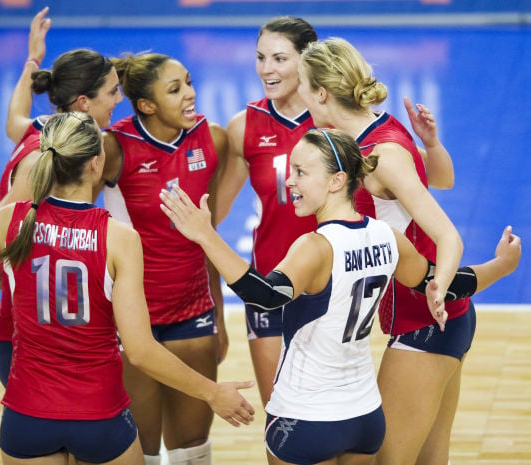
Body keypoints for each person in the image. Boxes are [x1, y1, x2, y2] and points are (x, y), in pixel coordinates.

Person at [159, 128, 520, 465]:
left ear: (337, 180)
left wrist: (205, 235)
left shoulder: (315, 247)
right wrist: (500, 266)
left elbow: (264, 295)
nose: (290, 181)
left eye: (301, 172)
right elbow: (447, 283)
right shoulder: (386, 237)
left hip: (305, 418)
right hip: (364, 417)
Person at [0, 112, 255, 465]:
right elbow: (139, 351)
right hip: (99, 415)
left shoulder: (12, 220)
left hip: (27, 416)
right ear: (96, 164)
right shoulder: (119, 238)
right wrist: (212, 393)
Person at [217, 16, 458, 407]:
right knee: (281, 411)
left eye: (279, 58)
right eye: (260, 57)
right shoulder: (247, 125)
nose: (266, 68)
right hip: (273, 277)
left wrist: (430, 146)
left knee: (333, 412)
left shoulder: (350, 132)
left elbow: (429, 184)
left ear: (308, 67)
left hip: (340, 284)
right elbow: (216, 210)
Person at [0, 7, 124, 389]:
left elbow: (14, 115)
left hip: (49, 322)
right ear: (83, 103)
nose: (118, 99)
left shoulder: (41, 129)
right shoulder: (40, 163)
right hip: (34, 337)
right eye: (112, 92)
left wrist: (33, 59)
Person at [295, 37, 477, 464]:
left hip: (425, 321)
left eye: (302, 86)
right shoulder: (370, 130)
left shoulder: (383, 152)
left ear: (320, 93)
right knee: (430, 458)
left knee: (384, 461)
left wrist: (439, 287)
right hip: (438, 319)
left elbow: (450, 237)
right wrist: (430, 145)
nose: (298, 96)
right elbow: (442, 182)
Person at [94, 52, 231, 465]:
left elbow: (209, 235)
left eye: (188, 82)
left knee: (193, 450)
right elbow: (64, 203)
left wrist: (219, 316)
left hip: (195, 314)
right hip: (135, 322)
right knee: (144, 449)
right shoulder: (114, 148)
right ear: (146, 105)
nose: (190, 94)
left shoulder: (214, 139)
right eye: (175, 89)